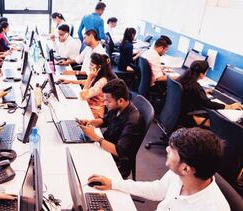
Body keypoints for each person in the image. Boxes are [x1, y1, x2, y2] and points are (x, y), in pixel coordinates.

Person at [88, 127, 230, 211]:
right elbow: (157, 189)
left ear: (186, 169)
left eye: (172, 150)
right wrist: (114, 183)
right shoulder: (180, 175)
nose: (167, 149)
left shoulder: (213, 208)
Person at [78, 79, 144, 178]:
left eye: (107, 101)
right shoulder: (116, 107)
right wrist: (90, 122)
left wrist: (95, 137)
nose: (105, 103)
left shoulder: (132, 121)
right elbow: (105, 120)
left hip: (116, 160)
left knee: (82, 165)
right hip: (106, 146)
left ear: (120, 101)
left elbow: (119, 151)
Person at [177, 60, 243, 127]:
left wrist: (201, 93)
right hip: (187, 118)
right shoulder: (195, 87)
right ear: (201, 74)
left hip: (178, 113)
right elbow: (209, 104)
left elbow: (190, 92)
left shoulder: (183, 79)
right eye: (206, 72)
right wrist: (230, 106)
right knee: (218, 125)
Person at [60, 53, 116, 118]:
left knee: (68, 111)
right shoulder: (99, 75)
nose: (89, 66)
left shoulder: (102, 81)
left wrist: (89, 77)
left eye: (92, 65)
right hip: (87, 105)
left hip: (94, 113)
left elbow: (83, 95)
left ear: (99, 68)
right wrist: (70, 81)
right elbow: (87, 83)